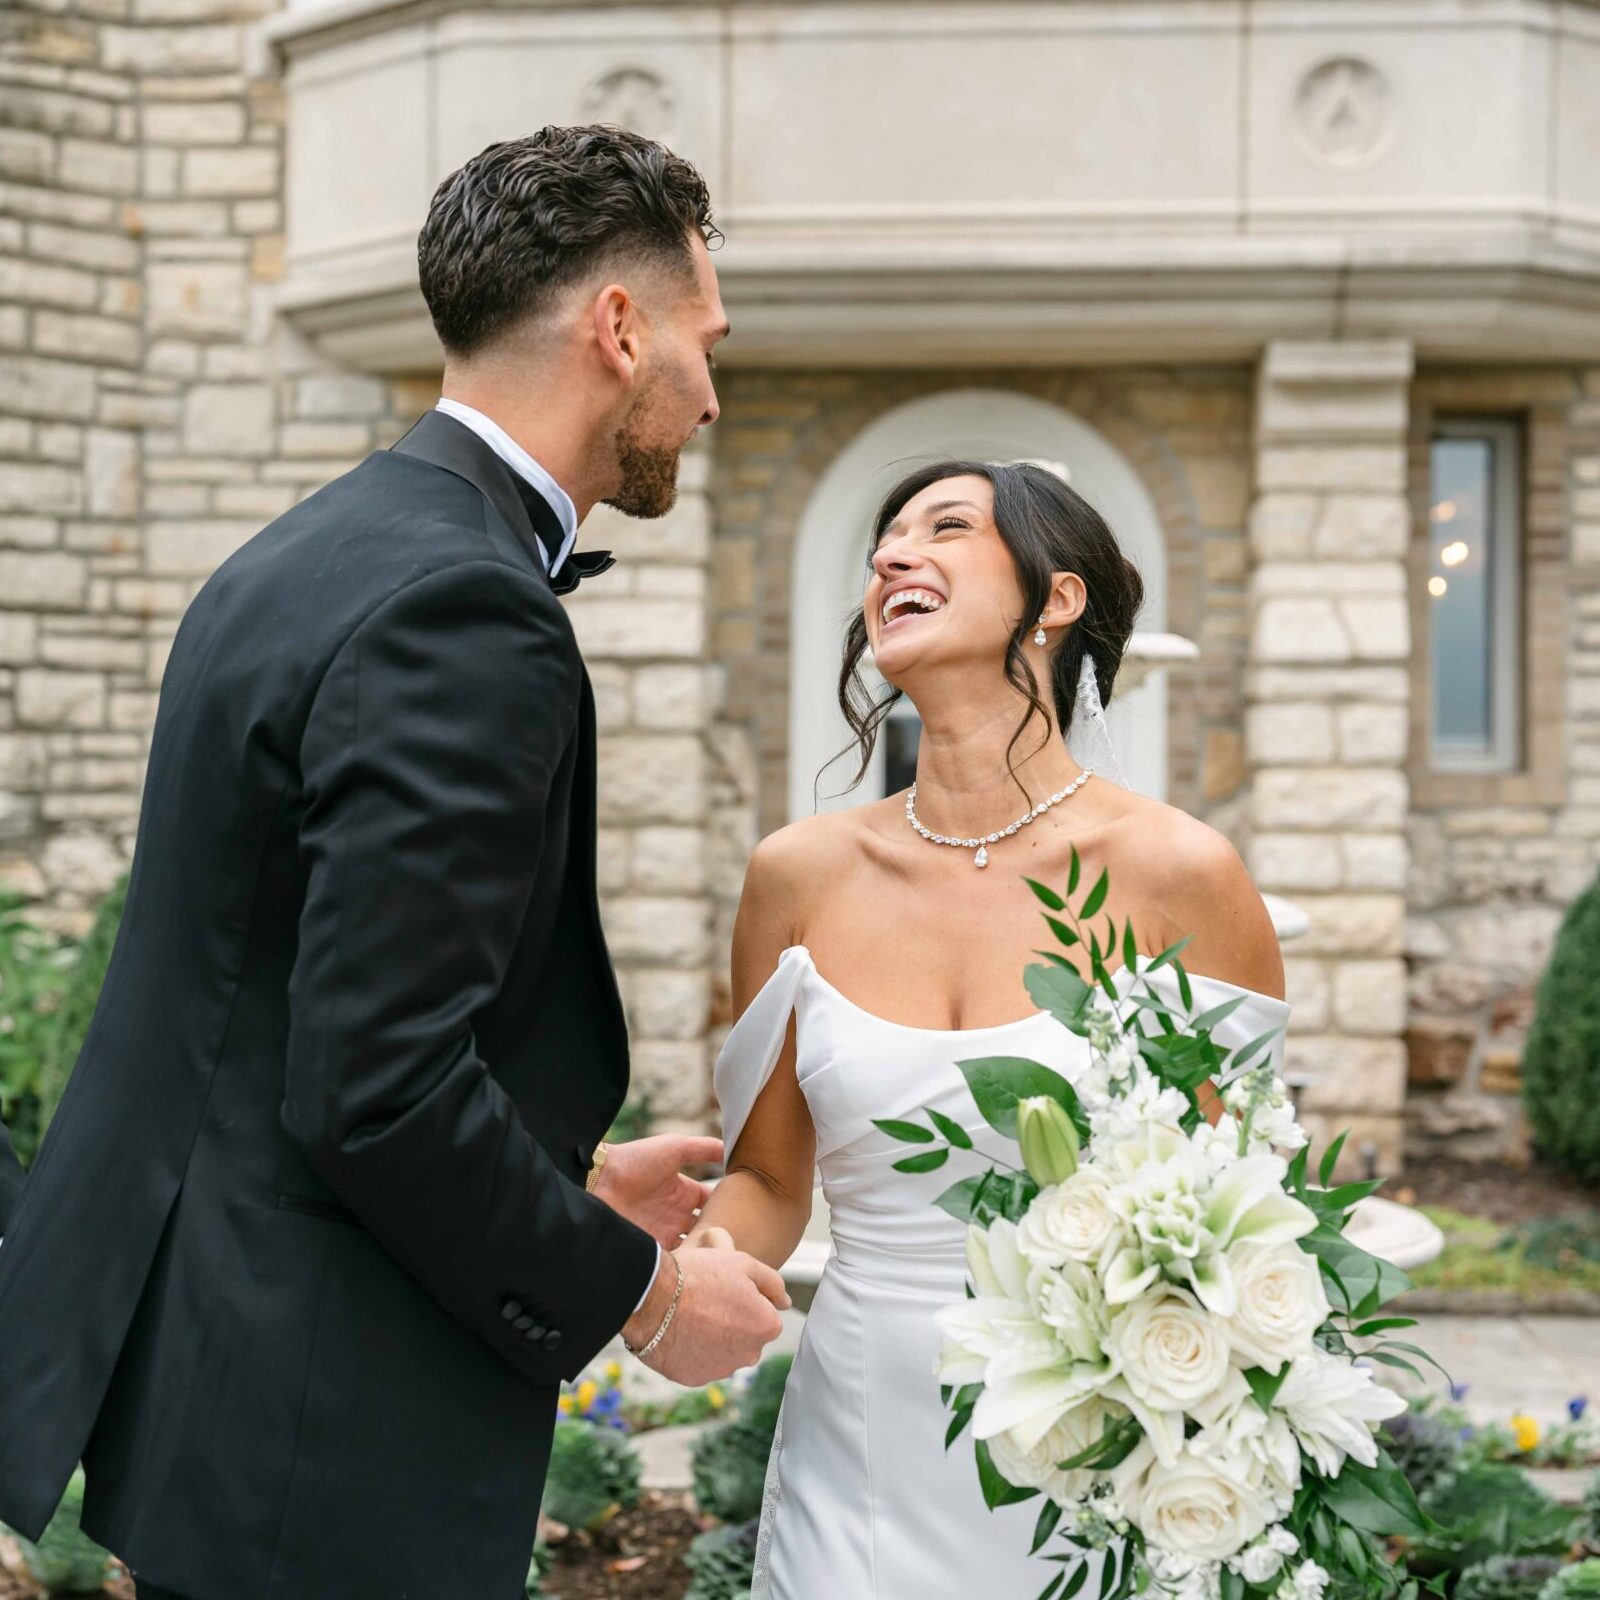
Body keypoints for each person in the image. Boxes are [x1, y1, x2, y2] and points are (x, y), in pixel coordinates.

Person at [0, 125, 787, 1600]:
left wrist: (576, 1174)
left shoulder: (304, 550)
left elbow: (277, 992)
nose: (712, 393)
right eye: (703, 338)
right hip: (327, 1424)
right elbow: (376, 1083)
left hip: (224, 1385)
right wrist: (645, 1295)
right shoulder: (467, 610)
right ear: (617, 329)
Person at [695, 459, 1290, 1597]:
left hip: (1103, 1454)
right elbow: (769, 1178)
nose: (890, 557)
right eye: (884, 539)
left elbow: (1247, 1200)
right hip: (858, 1446)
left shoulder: (1183, 875)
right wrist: (689, 1273)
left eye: (945, 528)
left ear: (1056, 600)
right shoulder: (795, 876)